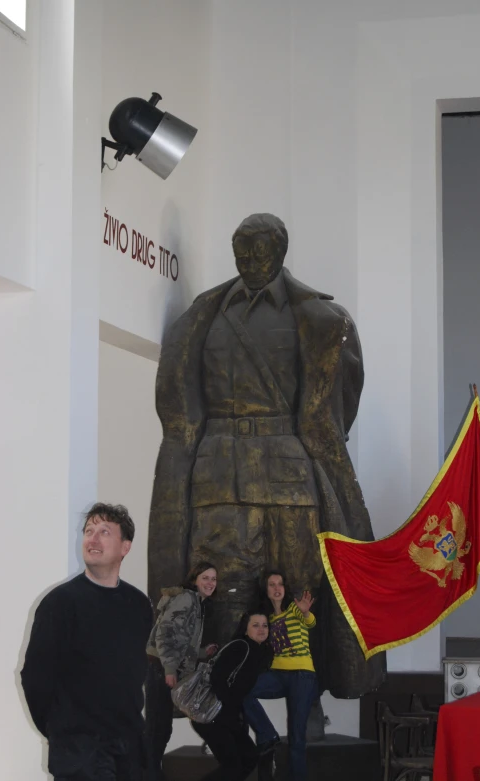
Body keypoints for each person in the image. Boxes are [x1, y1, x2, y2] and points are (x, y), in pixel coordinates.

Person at [148, 212, 385, 699]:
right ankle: (218, 697)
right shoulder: (204, 315)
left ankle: (308, 689)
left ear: (281, 252)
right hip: (218, 477)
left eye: (262, 251)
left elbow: (342, 402)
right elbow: (180, 404)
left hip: (289, 474)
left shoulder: (323, 319)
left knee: (303, 583)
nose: (252, 262)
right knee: (222, 586)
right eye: (243, 252)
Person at [21, 503, 153, 781]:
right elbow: (35, 677)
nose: (92, 539)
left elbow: (135, 672)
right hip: (80, 752)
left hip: (129, 748)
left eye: (104, 531)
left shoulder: (139, 604)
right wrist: (61, 732)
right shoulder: (60, 603)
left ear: (125, 547)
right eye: (89, 531)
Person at [145, 561, 218, 780]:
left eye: (214, 579)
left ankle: (151, 773)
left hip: (164, 667)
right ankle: (149, 775)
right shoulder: (187, 599)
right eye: (205, 577)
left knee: (161, 730)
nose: (210, 583)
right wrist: (169, 669)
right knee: (157, 729)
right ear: (194, 579)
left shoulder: (196, 603)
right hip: (160, 668)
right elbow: (165, 634)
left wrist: (203, 652)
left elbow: (181, 641)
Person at [243, 571, 318, 781]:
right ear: (266, 590)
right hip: (277, 674)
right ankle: (267, 734)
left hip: (302, 675)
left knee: (296, 735)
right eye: (272, 584)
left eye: (280, 584)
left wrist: (304, 613)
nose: (277, 588)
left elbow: (310, 622)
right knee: (243, 689)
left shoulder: (294, 608)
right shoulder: (267, 619)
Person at [191, 611, 273, 781]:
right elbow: (217, 678)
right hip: (213, 715)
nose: (261, 629)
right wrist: (229, 711)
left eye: (265, 625)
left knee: (249, 758)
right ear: (245, 629)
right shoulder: (241, 647)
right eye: (255, 625)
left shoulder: (260, 652)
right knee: (232, 767)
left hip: (229, 717)